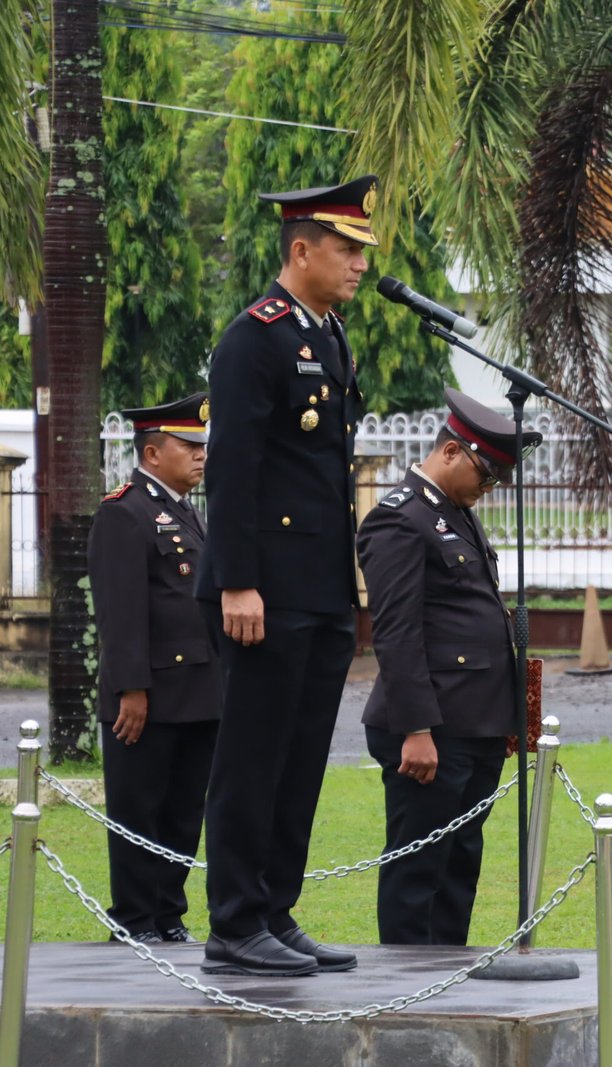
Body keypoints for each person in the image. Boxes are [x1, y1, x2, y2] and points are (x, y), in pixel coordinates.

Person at [195, 175, 378, 977]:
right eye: (346, 249)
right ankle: (235, 921)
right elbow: (232, 469)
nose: (359, 264)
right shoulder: (254, 338)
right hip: (263, 590)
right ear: (301, 250)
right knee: (253, 757)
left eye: (362, 252)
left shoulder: (328, 336)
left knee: (301, 761)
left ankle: (274, 909)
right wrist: (238, 581)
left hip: (320, 587)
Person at [358, 389, 525, 944]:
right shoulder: (400, 519)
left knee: (460, 862)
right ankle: (407, 980)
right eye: (485, 473)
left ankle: (450, 973)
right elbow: (397, 633)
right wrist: (416, 729)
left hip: (475, 724)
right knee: (418, 866)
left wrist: (505, 717)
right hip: (431, 728)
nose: (489, 487)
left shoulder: (457, 514)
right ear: (451, 451)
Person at [88, 393, 220, 945]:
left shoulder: (187, 511)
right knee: (139, 810)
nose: (200, 455)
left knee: (183, 812)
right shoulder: (125, 511)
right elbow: (120, 612)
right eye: (188, 446)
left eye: (202, 446)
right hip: (149, 694)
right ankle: (135, 918)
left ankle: (168, 913)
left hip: (199, 691)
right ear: (152, 452)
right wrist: (131, 690)